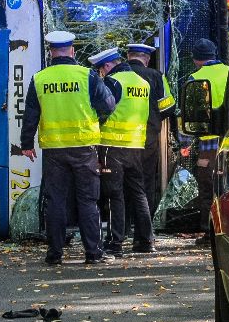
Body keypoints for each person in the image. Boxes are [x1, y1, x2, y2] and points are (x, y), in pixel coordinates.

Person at [19, 31, 116, 266]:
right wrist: (97, 118)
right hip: (83, 147)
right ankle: (93, 253)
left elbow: (30, 114)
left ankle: (55, 254)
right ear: (72, 51)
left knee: (55, 201)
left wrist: (26, 144)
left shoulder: (40, 78)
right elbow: (109, 105)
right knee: (87, 200)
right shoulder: (88, 76)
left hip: (54, 150)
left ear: (51, 52)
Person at [90, 47, 155, 255]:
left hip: (113, 146)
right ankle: (146, 240)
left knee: (113, 194)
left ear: (109, 65)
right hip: (136, 146)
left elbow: (102, 111)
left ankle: (115, 242)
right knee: (138, 193)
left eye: (102, 69)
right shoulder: (142, 83)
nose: (101, 73)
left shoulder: (113, 82)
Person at [187, 38, 229, 241]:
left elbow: (192, 114)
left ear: (196, 59)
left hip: (208, 143)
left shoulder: (196, 78)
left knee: (207, 187)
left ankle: (209, 231)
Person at [125, 42, 175, 214]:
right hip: (148, 138)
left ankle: (122, 225)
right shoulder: (156, 76)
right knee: (145, 181)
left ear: (128, 57)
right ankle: (144, 227)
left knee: (123, 183)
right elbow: (168, 108)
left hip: (120, 140)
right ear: (146, 59)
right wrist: (154, 119)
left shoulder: (116, 76)